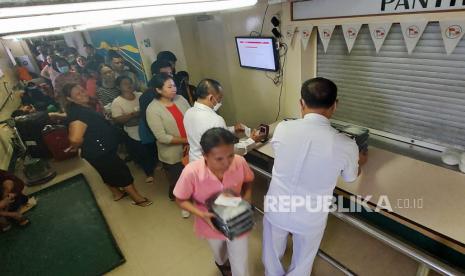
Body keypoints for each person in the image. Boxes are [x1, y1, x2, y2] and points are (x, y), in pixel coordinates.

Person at [262, 77, 368, 276]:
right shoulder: (346, 144)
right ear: (335, 106)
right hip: (310, 216)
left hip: (277, 205)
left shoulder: (283, 128)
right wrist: (359, 161)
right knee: (303, 262)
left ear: (301, 103)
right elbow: (351, 177)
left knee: (271, 256)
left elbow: (282, 154)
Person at [174, 127, 254, 276]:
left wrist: (248, 197)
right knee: (220, 254)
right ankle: (223, 264)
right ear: (205, 155)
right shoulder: (191, 172)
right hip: (209, 220)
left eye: (230, 155)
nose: (227, 163)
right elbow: (180, 199)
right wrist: (201, 214)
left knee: (240, 263)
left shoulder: (239, 161)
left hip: (236, 218)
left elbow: (248, 180)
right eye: (219, 159)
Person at [63, 83, 152, 207]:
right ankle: (138, 199)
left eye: (82, 90)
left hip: (96, 151)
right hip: (100, 151)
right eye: (78, 94)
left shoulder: (81, 108)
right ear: (70, 99)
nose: (83, 93)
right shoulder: (79, 113)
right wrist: (76, 145)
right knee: (121, 172)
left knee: (106, 172)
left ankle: (117, 194)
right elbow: (75, 138)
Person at [183, 79, 265, 163]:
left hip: (194, 164)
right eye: (219, 99)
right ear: (211, 97)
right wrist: (252, 140)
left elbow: (208, 132)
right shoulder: (215, 119)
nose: (220, 102)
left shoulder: (188, 113)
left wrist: (233, 129)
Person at [146, 74, 190, 202]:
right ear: (158, 90)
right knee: (178, 179)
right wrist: (187, 140)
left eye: (174, 85)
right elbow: (162, 137)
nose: (174, 89)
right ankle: (180, 200)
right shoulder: (153, 109)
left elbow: (191, 118)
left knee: (192, 176)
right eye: (169, 86)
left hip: (191, 147)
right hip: (172, 153)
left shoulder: (180, 99)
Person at [111, 76, 157, 183]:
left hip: (146, 125)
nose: (129, 85)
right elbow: (118, 119)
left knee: (151, 147)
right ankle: (148, 172)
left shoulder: (140, 95)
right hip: (132, 129)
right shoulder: (117, 102)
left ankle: (155, 163)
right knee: (142, 151)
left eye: (130, 83)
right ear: (119, 87)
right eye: (125, 83)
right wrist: (133, 114)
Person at [138, 59, 174, 146]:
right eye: (165, 75)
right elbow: (151, 126)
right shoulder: (147, 97)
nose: (170, 77)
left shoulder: (175, 92)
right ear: (155, 76)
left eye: (170, 74)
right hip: (163, 142)